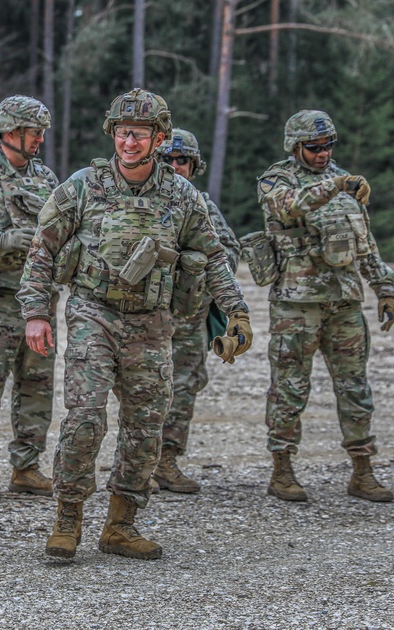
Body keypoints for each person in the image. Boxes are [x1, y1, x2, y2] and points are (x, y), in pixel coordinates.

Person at [18, 88, 252, 560]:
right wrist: (35, 313)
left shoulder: (181, 195)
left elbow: (211, 257)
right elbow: (41, 251)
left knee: (146, 427)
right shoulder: (84, 186)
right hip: (92, 313)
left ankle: (120, 525)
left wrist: (236, 313)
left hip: (152, 323)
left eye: (140, 135)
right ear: (113, 134)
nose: (130, 143)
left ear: (159, 139)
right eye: (124, 133)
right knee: (85, 416)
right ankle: (68, 517)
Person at [256, 109, 394, 503]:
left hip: (344, 303)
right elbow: (287, 207)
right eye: (314, 147)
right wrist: (336, 184)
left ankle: (362, 470)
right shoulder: (277, 179)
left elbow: (364, 240)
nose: (323, 153)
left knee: (355, 388)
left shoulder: (347, 184)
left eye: (328, 145)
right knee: (289, 389)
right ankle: (282, 470)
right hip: (296, 306)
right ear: (294, 147)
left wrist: (384, 286)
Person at [0, 95, 60, 502]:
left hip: (38, 302)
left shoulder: (47, 180)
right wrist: (4, 241)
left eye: (40, 133)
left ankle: (26, 466)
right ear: (11, 132)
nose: (39, 140)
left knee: (37, 387)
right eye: (34, 132)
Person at [152, 129, 241, 494]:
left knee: (184, 389)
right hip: (149, 316)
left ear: (194, 164)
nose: (175, 167)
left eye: (182, 160)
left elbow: (230, 252)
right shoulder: (143, 202)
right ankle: (138, 462)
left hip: (189, 318)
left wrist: (197, 265)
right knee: (141, 389)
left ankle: (167, 459)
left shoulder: (202, 205)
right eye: (168, 160)